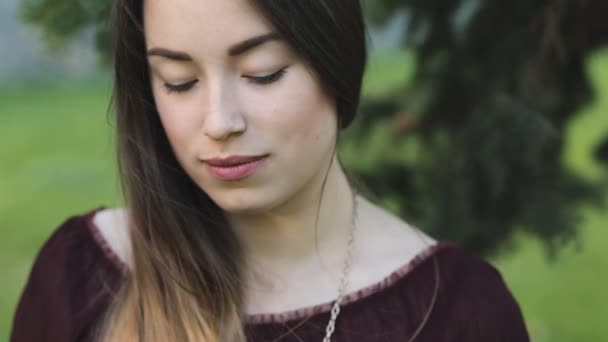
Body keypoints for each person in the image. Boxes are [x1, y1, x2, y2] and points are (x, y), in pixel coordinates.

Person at [10, 0, 530, 341]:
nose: (220, 122)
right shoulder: (78, 277)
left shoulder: (457, 313)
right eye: (178, 81)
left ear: (337, 66)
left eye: (264, 74)